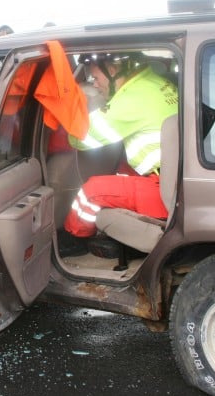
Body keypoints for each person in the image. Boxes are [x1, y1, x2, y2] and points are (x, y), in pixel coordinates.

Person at [62, 53, 178, 252]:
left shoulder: (131, 100)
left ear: (113, 71)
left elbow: (81, 139)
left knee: (90, 192)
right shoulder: (155, 82)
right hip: (177, 176)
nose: (95, 85)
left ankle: (76, 239)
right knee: (120, 170)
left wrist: (72, 110)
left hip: (165, 190)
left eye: (96, 79)